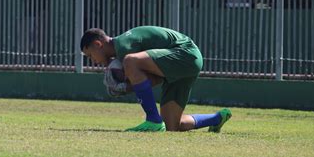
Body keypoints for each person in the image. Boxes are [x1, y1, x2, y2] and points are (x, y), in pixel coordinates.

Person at [80, 25, 231, 132]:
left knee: (130, 61)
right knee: (172, 126)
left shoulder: (123, 46)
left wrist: (126, 87)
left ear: (98, 44)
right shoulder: (123, 50)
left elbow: (145, 77)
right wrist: (127, 86)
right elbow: (155, 79)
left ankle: (153, 120)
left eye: (90, 55)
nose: (93, 61)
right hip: (185, 63)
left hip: (185, 54)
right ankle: (216, 118)